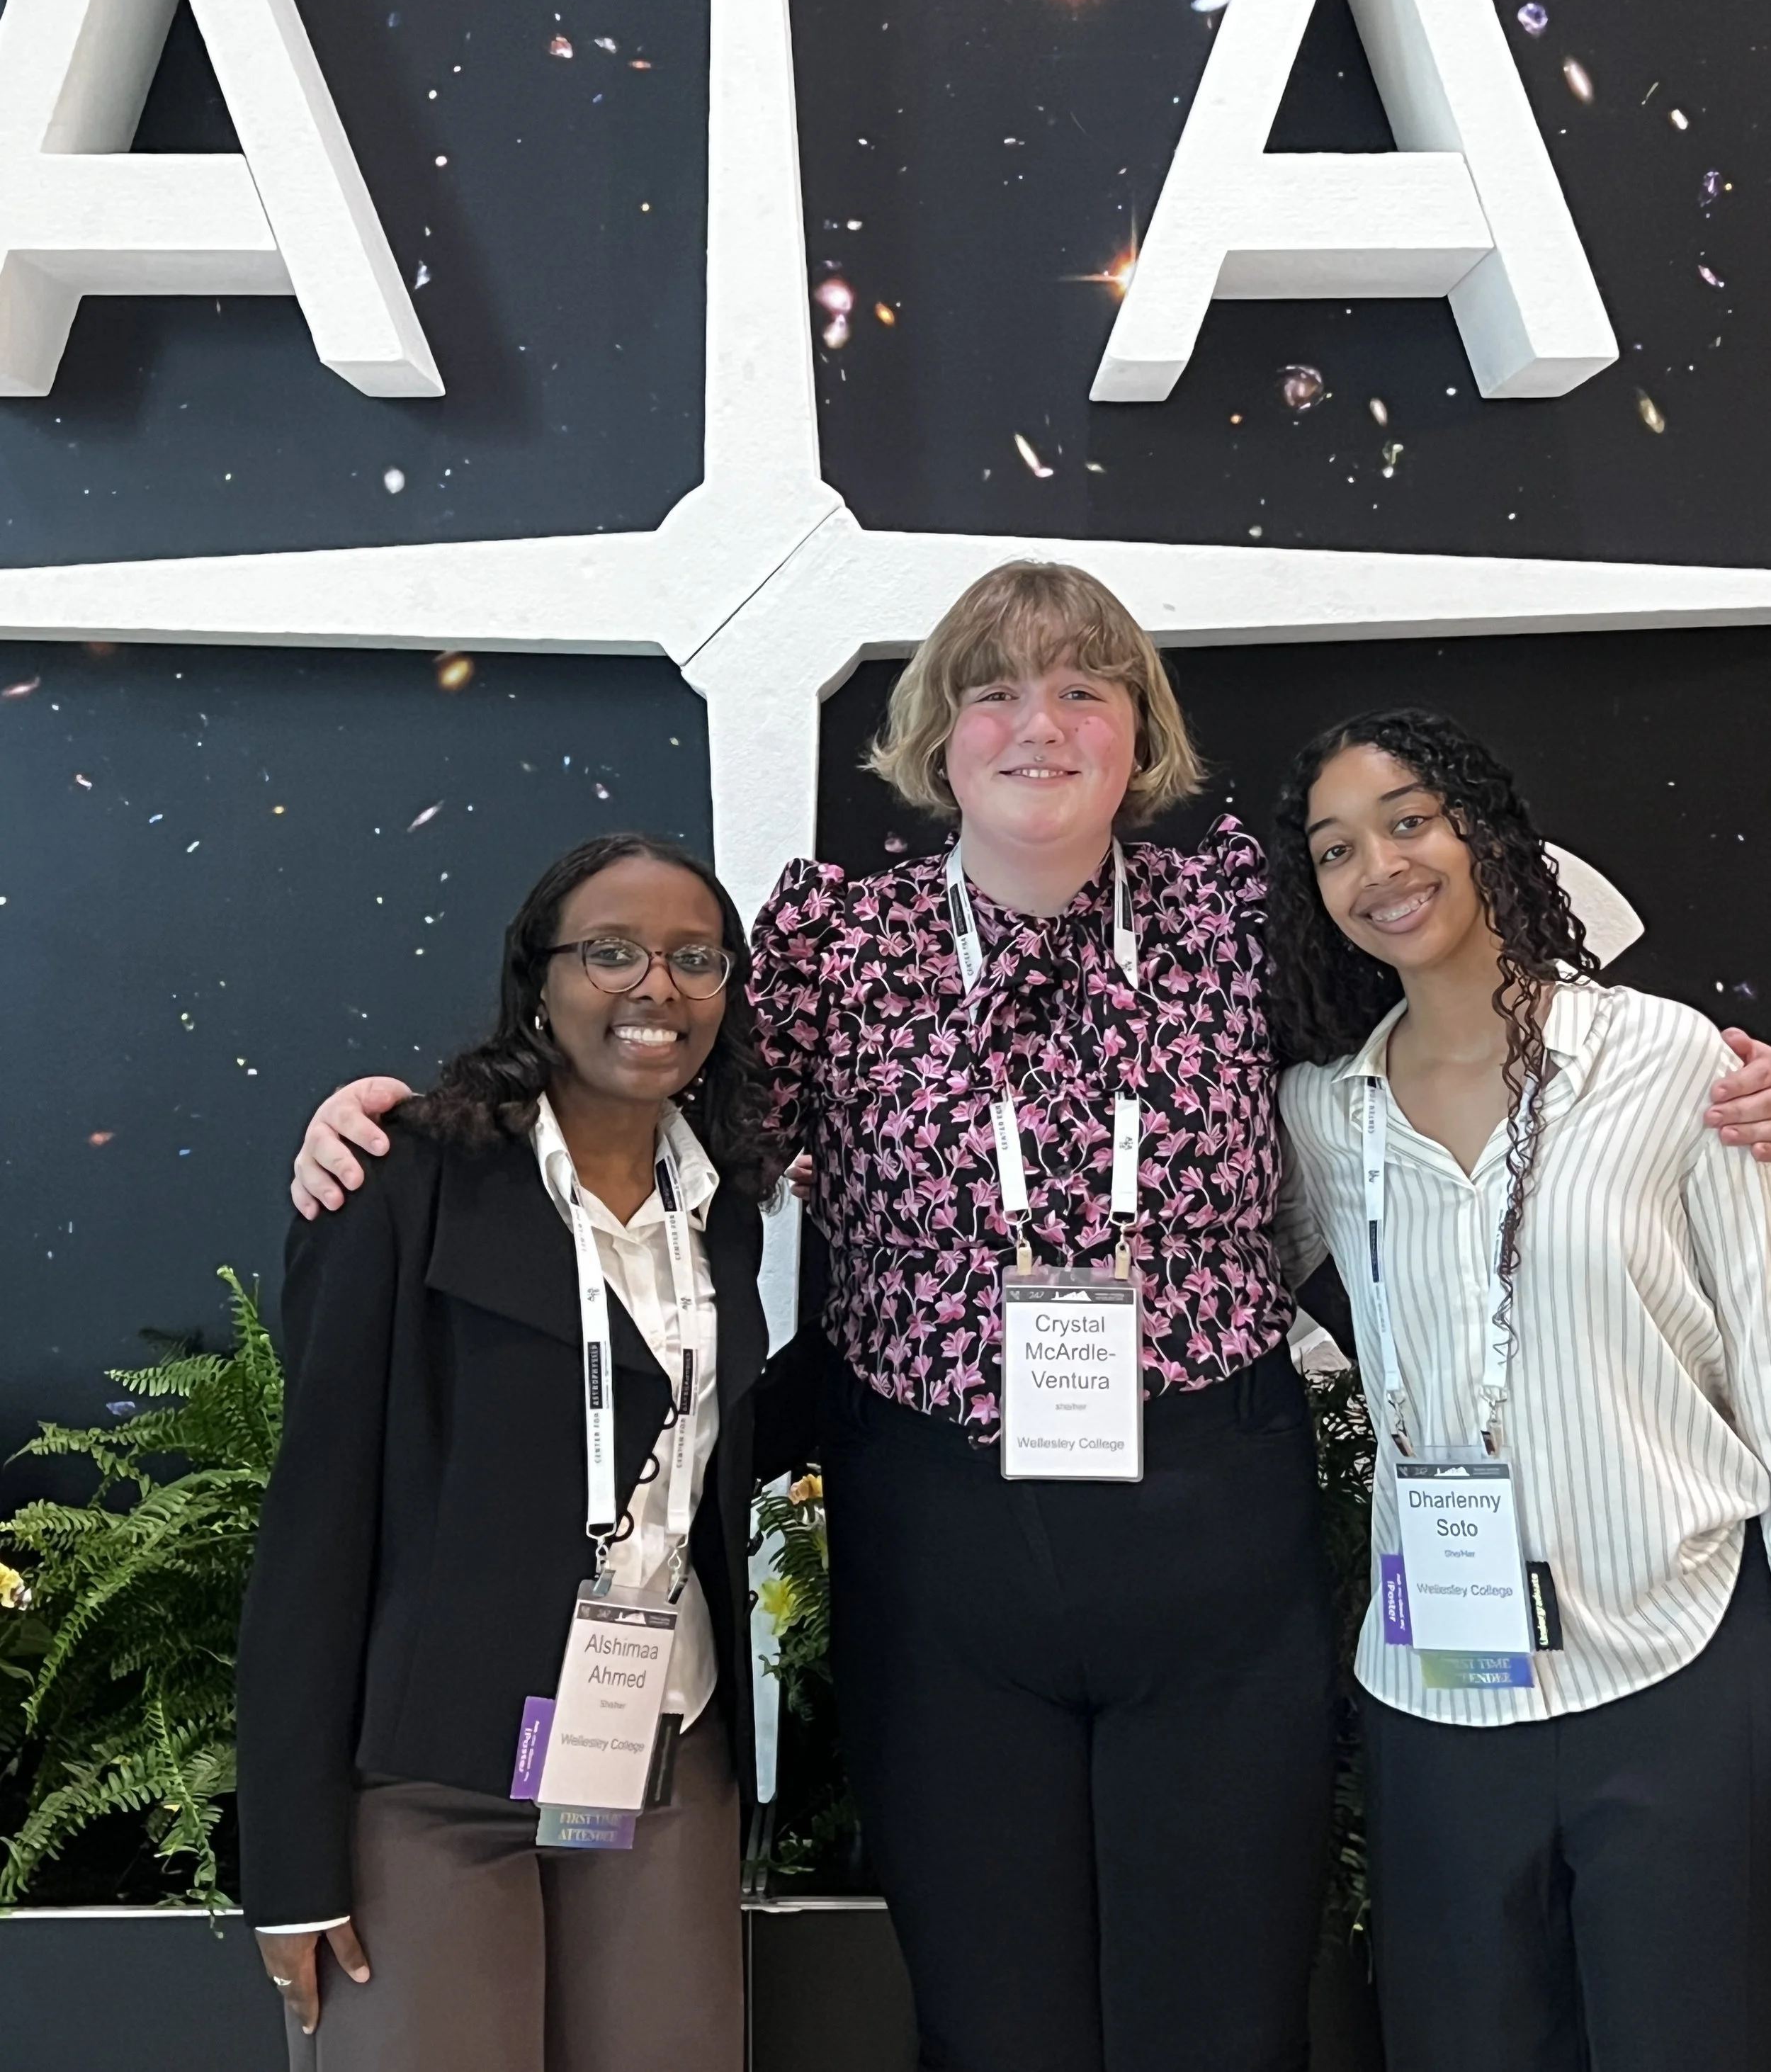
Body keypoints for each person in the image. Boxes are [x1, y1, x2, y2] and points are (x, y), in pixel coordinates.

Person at [288, 564, 1771, 2072]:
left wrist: (1713, 1080)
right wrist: (413, 1129)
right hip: (941, 1553)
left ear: (1140, 734)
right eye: (993, 691)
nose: (1039, 724)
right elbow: (642, 1111)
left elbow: (1476, 945)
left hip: (1213, 1543)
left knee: (1224, 2020)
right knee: (994, 2021)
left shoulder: (1240, 910)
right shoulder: (835, 944)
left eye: (1082, 689)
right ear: (939, 737)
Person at [238, 833, 798, 2072]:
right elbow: (317, 1522)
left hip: (658, 1747)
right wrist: (288, 1862)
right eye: (611, 952)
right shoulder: (406, 1178)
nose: (656, 988)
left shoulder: (722, 1211)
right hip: (432, 1776)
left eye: (695, 959)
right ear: (537, 979)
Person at [1269, 710, 1771, 2072]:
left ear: (1485, 829)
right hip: (1440, 1681)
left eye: (1410, 821)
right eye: (1335, 848)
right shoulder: (1322, 1116)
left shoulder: (1671, 1061)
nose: (1380, 867)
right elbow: (1209, 1270)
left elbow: (1765, 1351)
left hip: (1674, 1651)